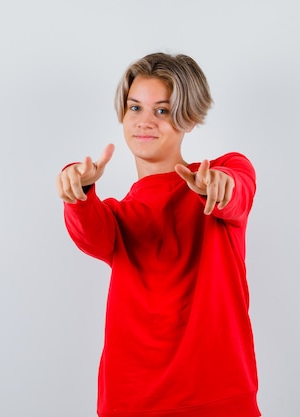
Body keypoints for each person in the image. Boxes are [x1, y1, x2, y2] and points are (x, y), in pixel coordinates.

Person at [55, 52, 260, 417]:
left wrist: (219, 185)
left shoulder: (226, 172)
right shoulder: (117, 217)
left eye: (162, 111)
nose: (144, 122)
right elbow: (89, 231)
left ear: (191, 117)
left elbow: (236, 192)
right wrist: (78, 190)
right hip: (130, 403)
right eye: (135, 108)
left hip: (219, 397)